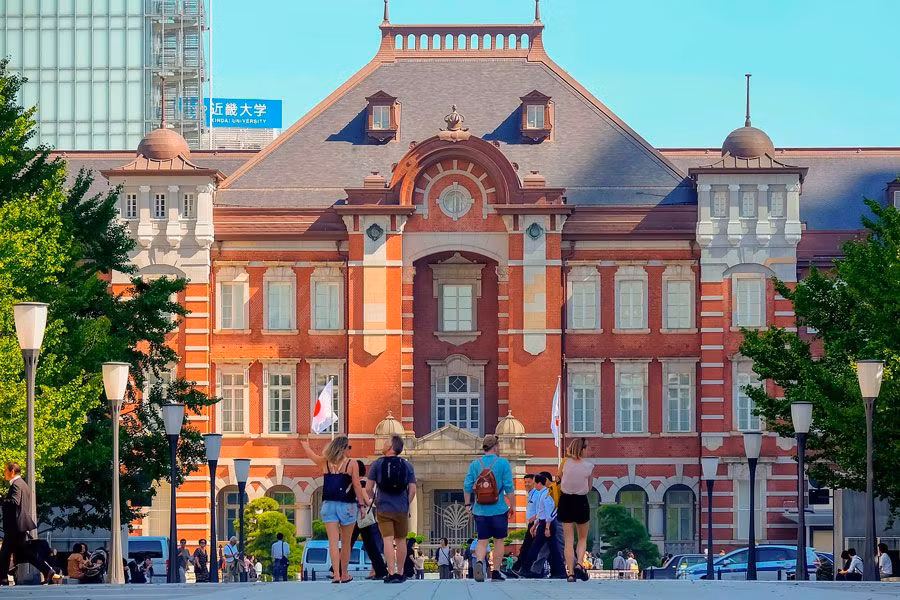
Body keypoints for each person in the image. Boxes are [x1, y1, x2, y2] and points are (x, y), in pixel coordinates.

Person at [302, 435, 368, 584]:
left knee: (333, 542)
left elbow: (312, 456)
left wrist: (305, 445)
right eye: (349, 447)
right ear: (343, 448)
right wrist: (362, 506)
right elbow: (357, 486)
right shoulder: (352, 463)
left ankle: (336, 575)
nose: (350, 450)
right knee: (346, 543)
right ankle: (345, 574)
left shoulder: (325, 461)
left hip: (328, 504)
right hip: (347, 505)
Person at [463, 434, 515, 582]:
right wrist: (512, 505)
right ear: (496, 447)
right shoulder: (503, 463)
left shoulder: (475, 464)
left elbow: (467, 486)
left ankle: (479, 562)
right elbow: (509, 487)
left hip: (480, 509)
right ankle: (496, 572)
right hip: (499, 508)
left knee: (482, 540)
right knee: (499, 540)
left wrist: (468, 505)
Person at [365, 434, 416, 583]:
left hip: (383, 507)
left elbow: (368, 488)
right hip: (401, 508)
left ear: (390, 447)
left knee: (387, 540)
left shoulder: (377, 464)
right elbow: (412, 490)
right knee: (401, 540)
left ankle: (391, 572)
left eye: (386, 442)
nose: (383, 443)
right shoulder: (407, 465)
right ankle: (400, 573)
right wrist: (406, 503)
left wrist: (373, 501)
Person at [0, 462, 60, 585]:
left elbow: (15, 502)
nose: (4, 473)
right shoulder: (23, 484)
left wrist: (2, 500)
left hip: (15, 526)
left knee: (6, 552)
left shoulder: (16, 485)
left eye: (6, 470)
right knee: (22, 552)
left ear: (12, 471)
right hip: (18, 525)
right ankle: (47, 570)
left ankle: (3, 578)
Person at [558, 438, 593, 582]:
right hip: (581, 500)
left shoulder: (565, 463)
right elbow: (589, 487)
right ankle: (579, 564)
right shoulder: (589, 466)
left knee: (568, 539)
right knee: (582, 537)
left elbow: (558, 477)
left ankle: (570, 573)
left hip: (565, 500)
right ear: (582, 449)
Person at [349, 459, 389, 580]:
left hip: (353, 517)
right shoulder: (361, 483)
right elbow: (367, 500)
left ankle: (337, 568)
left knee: (350, 542)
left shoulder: (352, 483)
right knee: (370, 545)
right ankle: (381, 570)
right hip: (363, 517)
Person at [522, 473, 565, 579]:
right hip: (543, 523)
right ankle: (560, 571)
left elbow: (549, 510)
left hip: (546, 524)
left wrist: (547, 526)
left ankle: (527, 569)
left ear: (539, 483)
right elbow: (542, 512)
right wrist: (536, 524)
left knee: (536, 547)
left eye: (534, 483)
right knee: (550, 548)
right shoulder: (543, 493)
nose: (533, 485)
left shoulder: (547, 493)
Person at [513, 474, 537, 574]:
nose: (526, 484)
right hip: (531, 524)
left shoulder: (536, 494)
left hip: (536, 524)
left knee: (529, 547)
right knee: (527, 547)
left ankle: (520, 568)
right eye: (525, 482)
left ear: (534, 482)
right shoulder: (530, 494)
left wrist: (535, 521)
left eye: (529, 482)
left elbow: (541, 509)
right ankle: (520, 568)